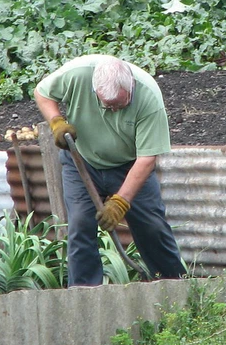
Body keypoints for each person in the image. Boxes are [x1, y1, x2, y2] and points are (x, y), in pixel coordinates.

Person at [34, 55, 187, 286]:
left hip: (129, 166)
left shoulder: (149, 97)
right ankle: (84, 296)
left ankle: (175, 288)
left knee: (152, 227)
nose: (114, 110)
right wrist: (56, 121)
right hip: (82, 162)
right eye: (108, 105)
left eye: (120, 104)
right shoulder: (77, 74)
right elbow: (42, 93)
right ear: (94, 91)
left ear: (131, 87)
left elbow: (147, 159)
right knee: (80, 225)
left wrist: (120, 203)